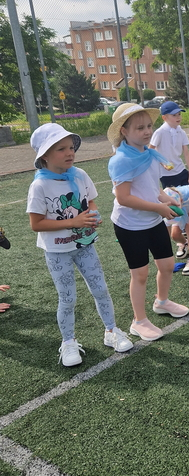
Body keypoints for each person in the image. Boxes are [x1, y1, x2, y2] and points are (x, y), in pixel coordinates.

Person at [28, 122, 133, 366]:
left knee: (101, 289)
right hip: (57, 252)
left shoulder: (80, 174)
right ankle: (68, 342)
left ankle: (111, 331)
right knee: (68, 298)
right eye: (61, 149)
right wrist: (73, 221)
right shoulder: (39, 185)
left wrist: (93, 216)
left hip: (85, 245)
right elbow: (36, 224)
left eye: (70, 147)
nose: (70, 153)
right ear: (44, 156)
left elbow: (90, 201)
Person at [108, 104, 189, 343]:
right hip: (130, 225)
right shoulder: (121, 160)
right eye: (139, 128)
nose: (147, 131)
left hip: (153, 220)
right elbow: (123, 198)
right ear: (124, 131)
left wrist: (167, 199)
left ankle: (161, 302)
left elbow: (153, 189)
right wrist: (159, 208)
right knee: (140, 274)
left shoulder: (150, 154)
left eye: (149, 126)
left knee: (167, 265)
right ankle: (139, 321)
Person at [150, 100, 189, 188]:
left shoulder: (181, 132)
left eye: (179, 114)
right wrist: (163, 163)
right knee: (174, 196)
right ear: (164, 118)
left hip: (181, 170)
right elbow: (150, 150)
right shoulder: (160, 132)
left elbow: (187, 153)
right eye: (174, 115)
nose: (178, 117)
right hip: (166, 175)